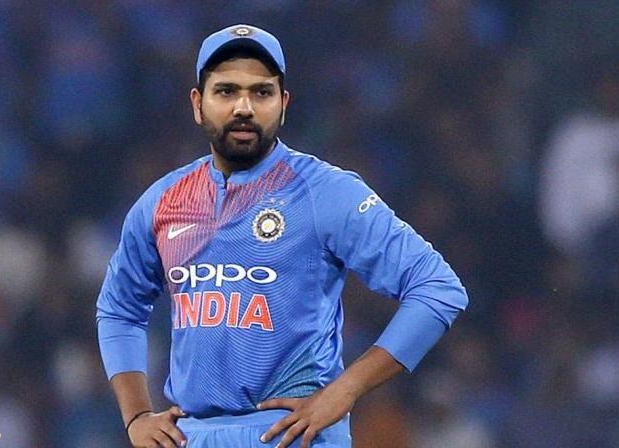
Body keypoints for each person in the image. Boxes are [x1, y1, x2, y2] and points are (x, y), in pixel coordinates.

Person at [97, 24, 469, 448]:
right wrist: (137, 415)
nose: (244, 107)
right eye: (226, 91)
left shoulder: (326, 192)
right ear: (197, 104)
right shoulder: (162, 201)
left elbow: (437, 288)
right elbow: (119, 308)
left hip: (294, 435)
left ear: (283, 104)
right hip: (191, 436)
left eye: (261, 92)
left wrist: (346, 391)